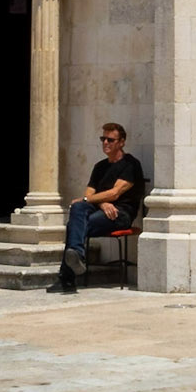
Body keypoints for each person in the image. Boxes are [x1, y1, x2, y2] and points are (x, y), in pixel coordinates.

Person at [46, 123, 144, 295]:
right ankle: (77, 254)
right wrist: (102, 203)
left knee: (75, 225)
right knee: (78, 208)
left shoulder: (131, 164)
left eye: (110, 139)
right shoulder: (100, 166)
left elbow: (115, 193)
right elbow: (88, 194)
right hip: (102, 211)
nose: (105, 142)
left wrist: (98, 200)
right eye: (103, 139)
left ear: (121, 142)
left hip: (120, 214)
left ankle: (68, 276)